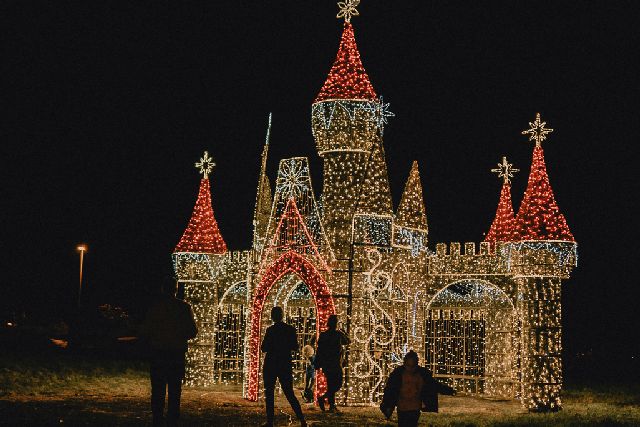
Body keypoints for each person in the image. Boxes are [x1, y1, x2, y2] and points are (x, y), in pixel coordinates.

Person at [141, 277, 197, 427]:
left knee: (158, 388)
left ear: (162, 289)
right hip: (176, 353)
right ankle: (172, 418)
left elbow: (146, 331)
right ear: (176, 289)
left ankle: (157, 418)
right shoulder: (184, 307)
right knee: (174, 389)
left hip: (158, 352)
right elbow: (193, 331)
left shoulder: (155, 308)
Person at [380, 350, 456, 427]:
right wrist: (387, 404)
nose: (410, 369)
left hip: (414, 406)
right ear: (405, 364)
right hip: (402, 406)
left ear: (416, 364)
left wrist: (448, 390)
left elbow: (433, 384)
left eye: (413, 366)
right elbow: (390, 389)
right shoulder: (398, 373)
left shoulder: (422, 374)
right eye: (408, 366)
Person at [261, 306, 307, 427]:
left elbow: (263, 348)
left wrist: (273, 346)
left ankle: (270, 422)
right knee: (289, 393)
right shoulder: (290, 329)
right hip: (284, 364)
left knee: (269, 394)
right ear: (282, 315)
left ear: (272, 316)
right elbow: (295, 347)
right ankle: (302, 420)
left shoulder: (270, 330)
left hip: (271, 364)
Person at [314, 314, 350, 412]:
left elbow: (319, 350)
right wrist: (343, 331)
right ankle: (328, 403)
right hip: (334, 362)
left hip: (327, 363)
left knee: (331, 384)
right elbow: (348, 341)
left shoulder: (324, 335)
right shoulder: (338, 334)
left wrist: (317, 362)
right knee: (337, 383)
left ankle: (329, 403)